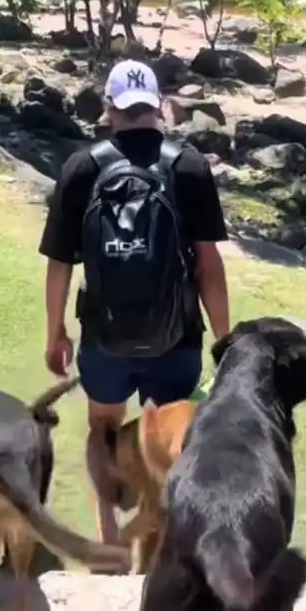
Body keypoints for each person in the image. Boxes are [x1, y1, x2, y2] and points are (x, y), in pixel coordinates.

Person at [38, 59, 231, 545]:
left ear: (108, 109)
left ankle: (108, 539)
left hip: (105, 339)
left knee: (103, 428)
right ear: (160, 107)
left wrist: (55, 331)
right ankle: (162, 540)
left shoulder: (83, 167)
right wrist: (225, 341)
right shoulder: (188, 166)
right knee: (170, 438)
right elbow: (207, 265)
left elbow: (60, 262)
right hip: (177, 336)